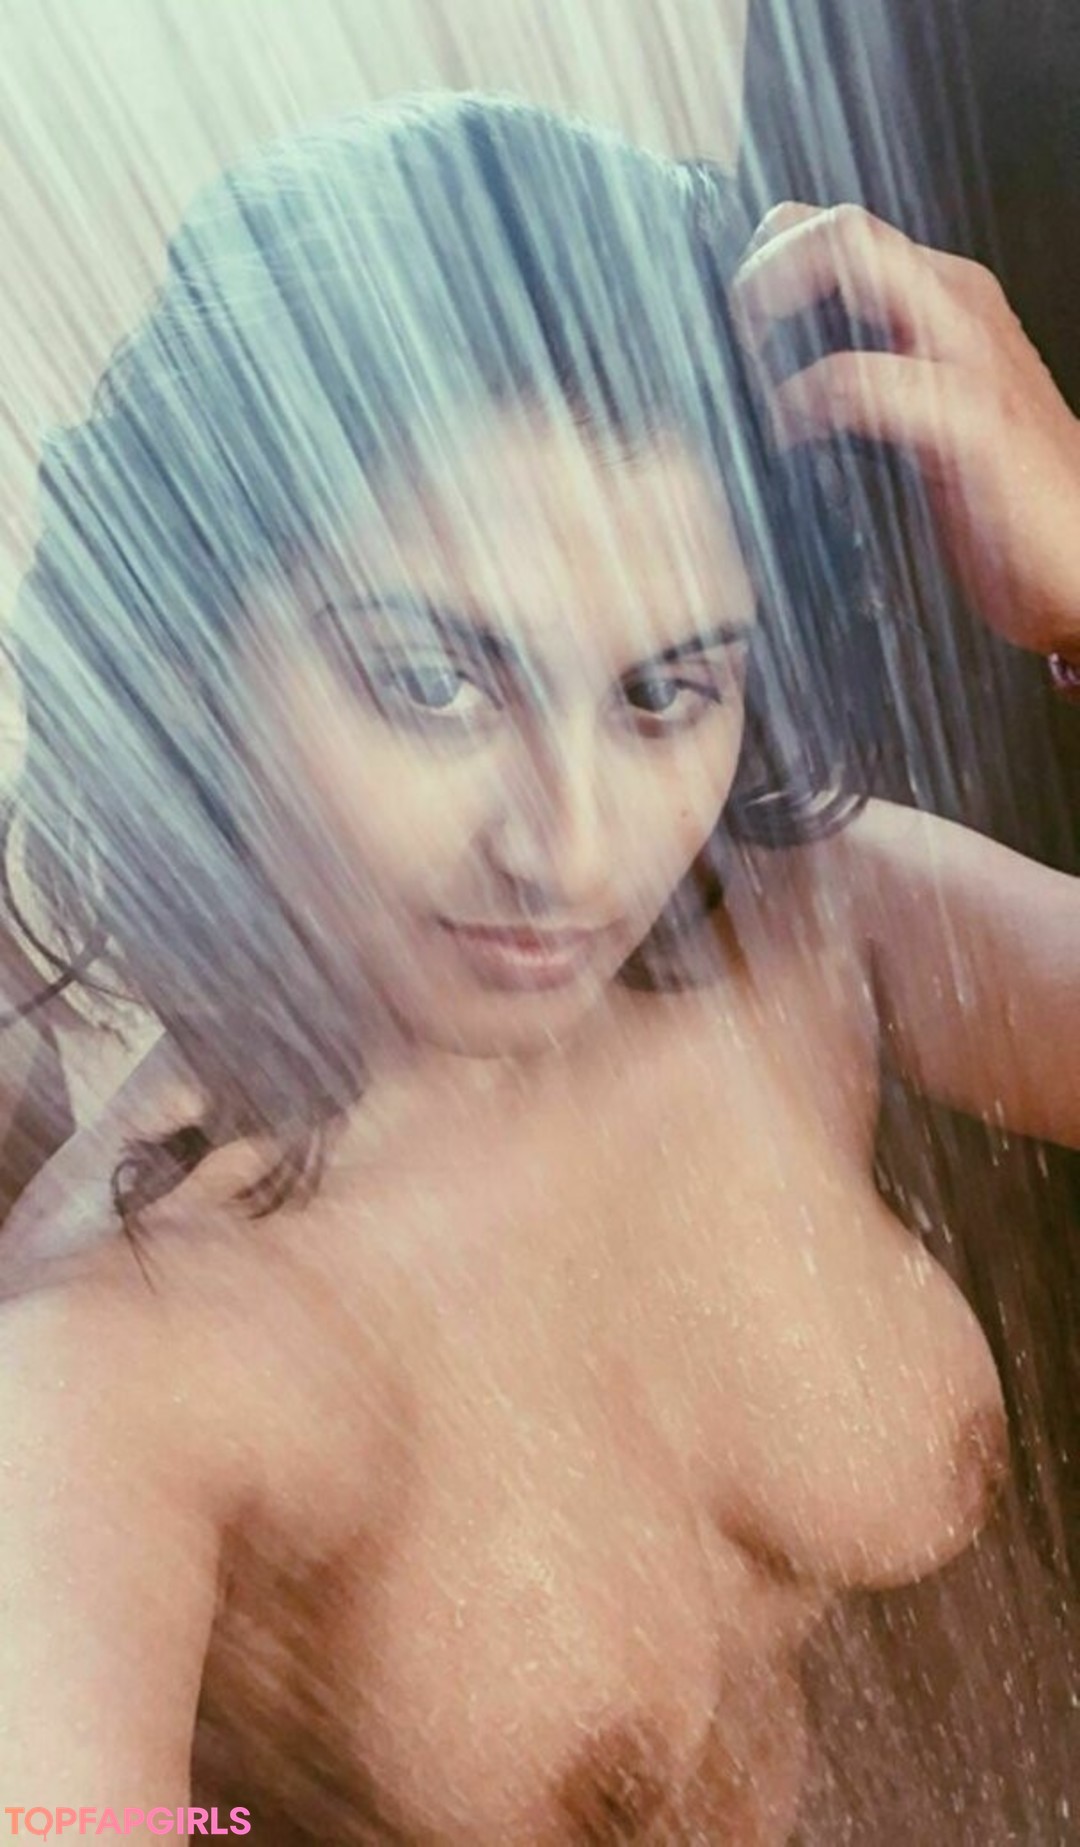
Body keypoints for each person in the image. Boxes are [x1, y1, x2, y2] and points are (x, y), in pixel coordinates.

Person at [0, 95, 1076, 1845]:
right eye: (432, 682)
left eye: (664, 690)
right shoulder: (106, 1379)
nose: (573, 849)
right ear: (180, 656)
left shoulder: (815, 933)